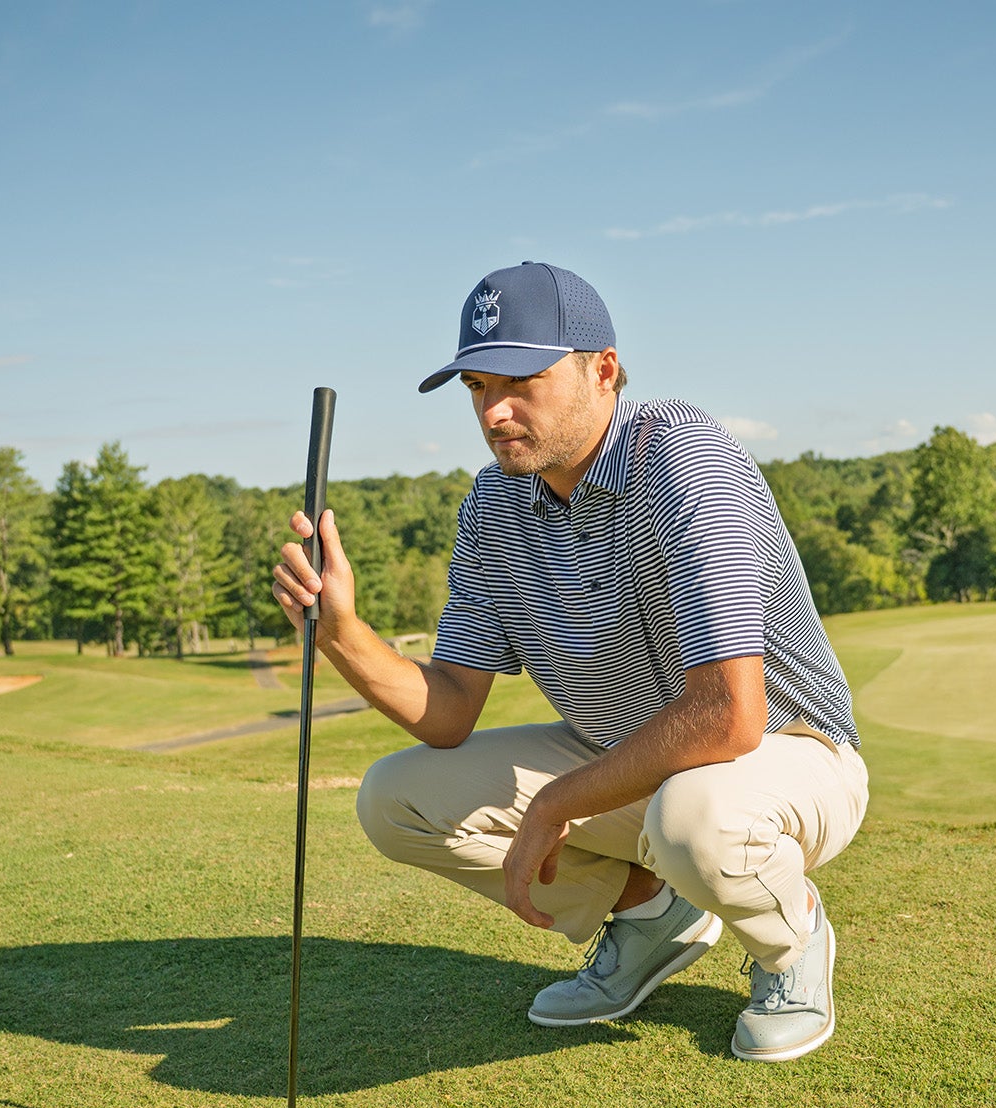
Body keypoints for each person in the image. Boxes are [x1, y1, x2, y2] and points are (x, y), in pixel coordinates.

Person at [271, 261, 868, 1062]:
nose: (495, 410)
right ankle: (652, 914)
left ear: (604, 370)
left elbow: (731, 713)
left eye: (522, 379)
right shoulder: (494, 505)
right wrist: (341, 632)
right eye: (478, 387)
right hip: (627, 760)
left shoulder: (682, 459)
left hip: (790, 753)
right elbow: (447, 711)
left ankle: (793, 945)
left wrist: (556, 804)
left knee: (696, 817)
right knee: (396, 798)